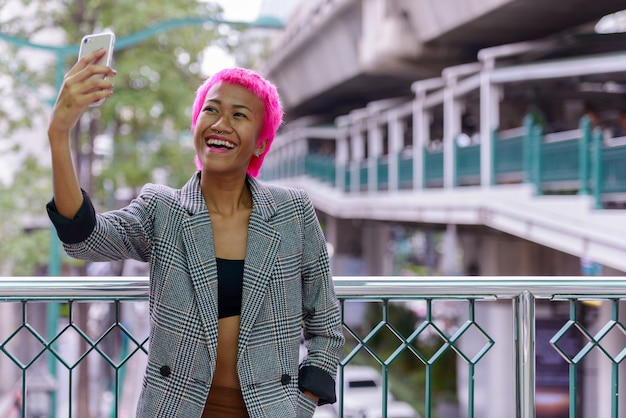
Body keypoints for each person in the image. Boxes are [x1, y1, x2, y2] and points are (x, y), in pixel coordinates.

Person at [46, 49, 345, 418]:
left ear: (262, 142)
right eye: (212, 109)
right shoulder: (162, 208)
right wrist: (59, 134)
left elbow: (326, 326)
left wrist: (302, 406)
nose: (221, 123)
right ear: (196, 125)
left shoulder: (292, 212)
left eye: (239, 115)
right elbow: (86, 238)